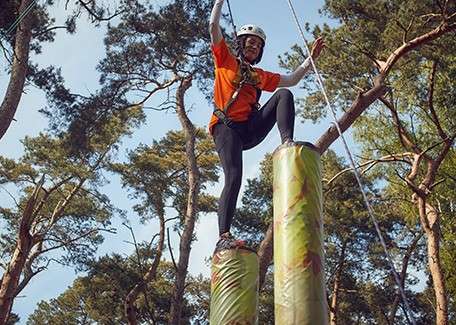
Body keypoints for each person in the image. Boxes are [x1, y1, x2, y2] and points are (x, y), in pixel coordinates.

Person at [209, 0, 325, 251]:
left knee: (284, 95)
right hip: (226, 128)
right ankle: (224, 235)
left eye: (258, 44)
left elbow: (292, 80)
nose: (254, 46)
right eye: (250, 41)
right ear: (240, 43)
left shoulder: (260, 75)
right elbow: (213, 26)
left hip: (249, 129)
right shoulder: (225, 59)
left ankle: (287, 144)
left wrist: (309, 60)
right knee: (234, 176)